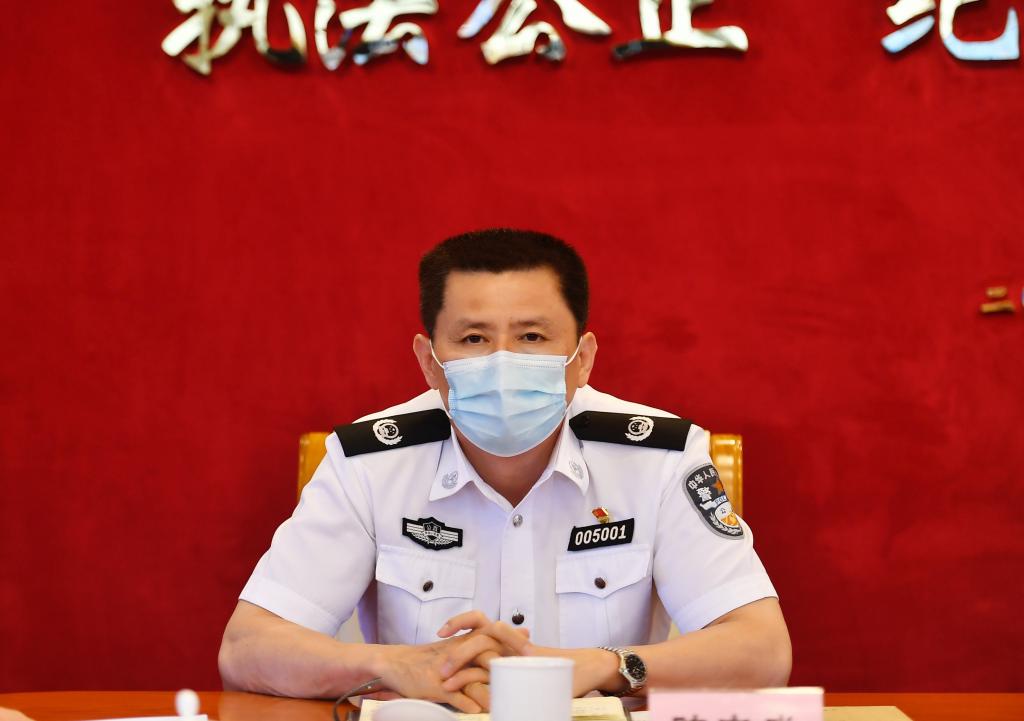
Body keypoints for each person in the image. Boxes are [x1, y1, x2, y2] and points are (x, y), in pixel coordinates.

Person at [218, 229, 791, 710]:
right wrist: (395, 665)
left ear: (583, 360)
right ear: (429, 363)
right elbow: (247, 649)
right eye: (473, 338)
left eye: (532, 337)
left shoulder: (659, 458)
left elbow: (762, 650)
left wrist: (603, 666)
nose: (502, 362)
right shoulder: (370, 461)